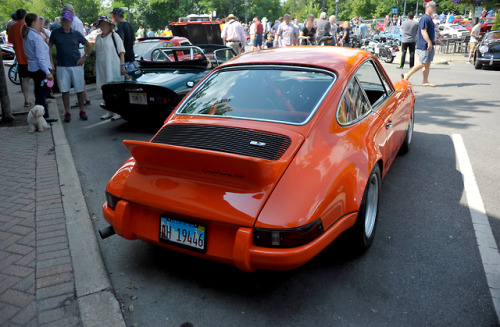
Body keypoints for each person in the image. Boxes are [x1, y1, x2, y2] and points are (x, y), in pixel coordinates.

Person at [49, 10, 92, 122]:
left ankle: (82, 110)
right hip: (62, 66)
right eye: (63, 20)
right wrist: (51, 62)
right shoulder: (56, 33)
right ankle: (67, 112)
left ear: (71, 21)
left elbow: (89, 46)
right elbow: (48, 48)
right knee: (64, 90)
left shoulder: (76, 33)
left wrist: (84, 57)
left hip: (76, 65)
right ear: (61, 20)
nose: (65, 22)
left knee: (79, 90)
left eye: (68, 20)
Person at [22, 13, 56, 123]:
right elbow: (40, 57)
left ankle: (42, 115)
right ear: (34, 22)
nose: (40, 23)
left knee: (40, 91)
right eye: (38, 21)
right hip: (41, 69)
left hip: (35, 68)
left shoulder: (30, 35)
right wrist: (47, 72)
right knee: (42, 92)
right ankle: (43, 116)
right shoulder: (35, 37)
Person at [94, 16, 127, 121]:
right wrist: (95, 67)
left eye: (105, 24)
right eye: (101, 24)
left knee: (114, 89)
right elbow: (97, 54)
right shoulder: (98, 37)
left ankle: (119, 111)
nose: (103, 26)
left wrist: (122, 65)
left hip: (113, 66)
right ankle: (110, 111)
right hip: (101, 68)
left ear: (109, 25)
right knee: (105, 89)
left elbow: (121, 51)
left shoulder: (114, 36)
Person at [403, 1, 437, 87]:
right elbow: (423, 31)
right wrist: (429, 42)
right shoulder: (425, 18)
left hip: (428, 44)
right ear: (428, 7)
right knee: (423, 63)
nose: (434, 8)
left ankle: (425, 81)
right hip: (424, 45)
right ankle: (407, 75)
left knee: (427, 63)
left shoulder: (429, 18)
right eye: (433, 7)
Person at [8, 9, 32, 108]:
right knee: (38, 79)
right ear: (25, 15)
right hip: (31, 58)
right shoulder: (28, 26)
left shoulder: (12, 27)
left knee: (24, 80)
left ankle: (26, 100)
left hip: (21, 58)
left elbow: (10, 40)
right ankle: (42, 99)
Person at [110, 7, 136, 74]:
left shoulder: (120, 26)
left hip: (123, 60)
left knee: (123, 82)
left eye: (113, 15)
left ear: (116, 15)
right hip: (131, 57)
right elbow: (133, 42)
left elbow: (120, 42)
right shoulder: (130, 25)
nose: (112, 17)